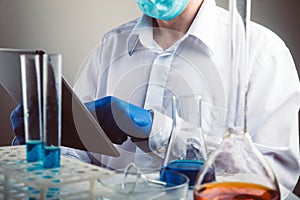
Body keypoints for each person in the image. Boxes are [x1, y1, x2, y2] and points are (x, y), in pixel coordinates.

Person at [11, 0, 300, 198]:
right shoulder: (111, 46)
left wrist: (160, 131)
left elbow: (277, 177)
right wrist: (49, 141)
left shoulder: (261, 53)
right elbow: (82, 155)